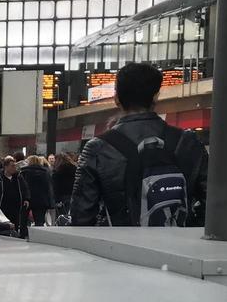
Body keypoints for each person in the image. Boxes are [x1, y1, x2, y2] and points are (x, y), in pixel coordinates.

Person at [70, 62, 208, 227]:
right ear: (156, 96)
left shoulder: (98, 148)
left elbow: (81, 217)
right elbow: (215, 203)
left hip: (120, 247)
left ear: (116, 99)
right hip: (179, 246)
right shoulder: (188, 142)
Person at [0, 155, 28, 237]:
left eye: (15, 166)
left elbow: (25, 189)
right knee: (4, 224)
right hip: (3, 207)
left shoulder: (18, 178)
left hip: (16, 207)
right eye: (12, 166)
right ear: (6, 167)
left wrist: (26, 199)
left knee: (15, 224)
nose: (14, 168)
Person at [20, 155, 54, 227]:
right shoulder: (45, 172)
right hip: (41, 200)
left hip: (27, 200)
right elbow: (49, 187)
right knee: (39, 222)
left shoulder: (24, 172)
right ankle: (38, 237)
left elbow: (22, 187)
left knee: (23, 220)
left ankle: (24, 236)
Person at [52, 151, 77, 220]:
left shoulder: (57, 171)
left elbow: (56, 187)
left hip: (62, 197)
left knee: (61, 217)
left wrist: (56, 200)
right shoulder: (75, 169)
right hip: (73, 196)